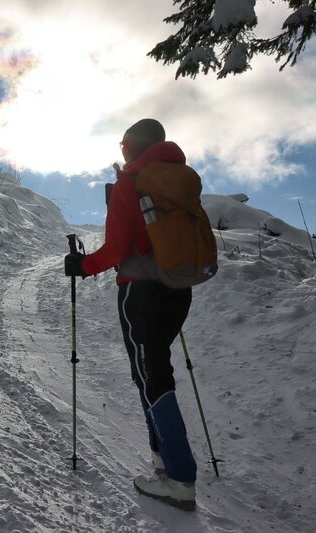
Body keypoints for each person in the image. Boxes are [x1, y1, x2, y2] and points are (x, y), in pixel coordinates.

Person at [65, 118, 198, 511]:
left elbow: (116, 249)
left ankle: (179, 478)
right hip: (178, 288)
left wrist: (81, 266)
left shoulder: (130, 184)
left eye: (124, 143)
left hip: (139, 292)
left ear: (132, 147)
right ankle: (163, 458)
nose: (121, 149)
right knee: (155, 370)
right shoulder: (182, 179)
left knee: (152, 376)